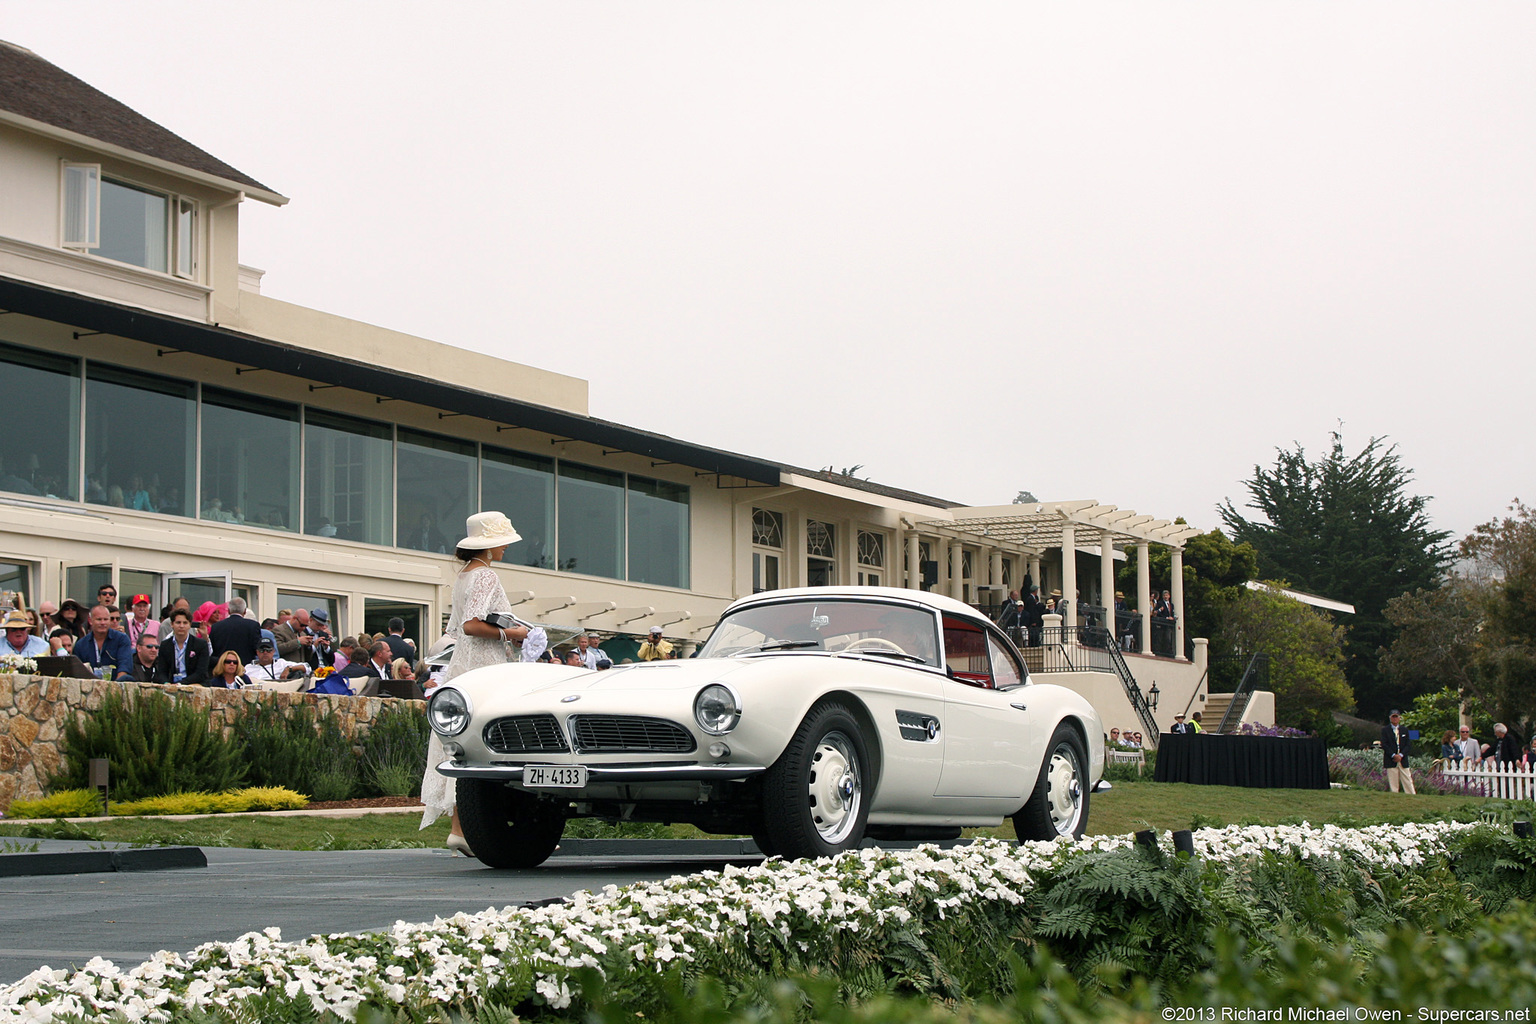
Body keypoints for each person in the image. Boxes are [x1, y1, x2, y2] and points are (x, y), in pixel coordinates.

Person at [422, 511, 529, 856]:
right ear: (490, 544)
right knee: (498, 742)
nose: (505, 549)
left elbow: (455, 630)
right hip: (485, 665)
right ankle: (507, 829)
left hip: (463, 665)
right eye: (502, 542)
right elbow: (469, 625)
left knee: (466, 745)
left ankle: (460, 828)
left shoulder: (464, 576)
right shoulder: (485, 576)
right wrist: (513, 633)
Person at [154, 608, 212, 685]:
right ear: (172, 624)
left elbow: (201, 672)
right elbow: (162, 672)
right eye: (178, 622)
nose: (181, 626)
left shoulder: (200, 644)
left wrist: (181, 684)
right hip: (172, 684)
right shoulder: (165, 645)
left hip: (194, 684)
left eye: (185, 623)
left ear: (190, 625)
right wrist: (166, 683)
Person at [75, 604, 133, 680]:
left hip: (116, 685)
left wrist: (114, 688)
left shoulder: (121, 639)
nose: (103, 623)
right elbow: (77, 673)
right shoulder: (81, 644)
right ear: (90, 621)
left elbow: (124, 667)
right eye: (99, 619)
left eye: (106, 619)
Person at [209, 597, 261, 666]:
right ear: (245, 611)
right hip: (245, 666)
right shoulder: (253, 625)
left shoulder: (216, 626)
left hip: (222, 666)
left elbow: (212, 649)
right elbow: (257, 648)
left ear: (229, 611)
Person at [1381, 710, 1416, 794]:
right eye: (1393, 717)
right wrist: (1393, 755)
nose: (1395, 718)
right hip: (1391, 759)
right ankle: (1394, 795)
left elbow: (1408, 745)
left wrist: (1401, 755)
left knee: (1407, 778)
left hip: (1402, 759)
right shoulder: (1385, 730)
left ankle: (1411, 795)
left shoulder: (1404, 730)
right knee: (1393, 781)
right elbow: (1384, 744)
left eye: (1396, 717)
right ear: (1390, 718)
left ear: (1399, 718)